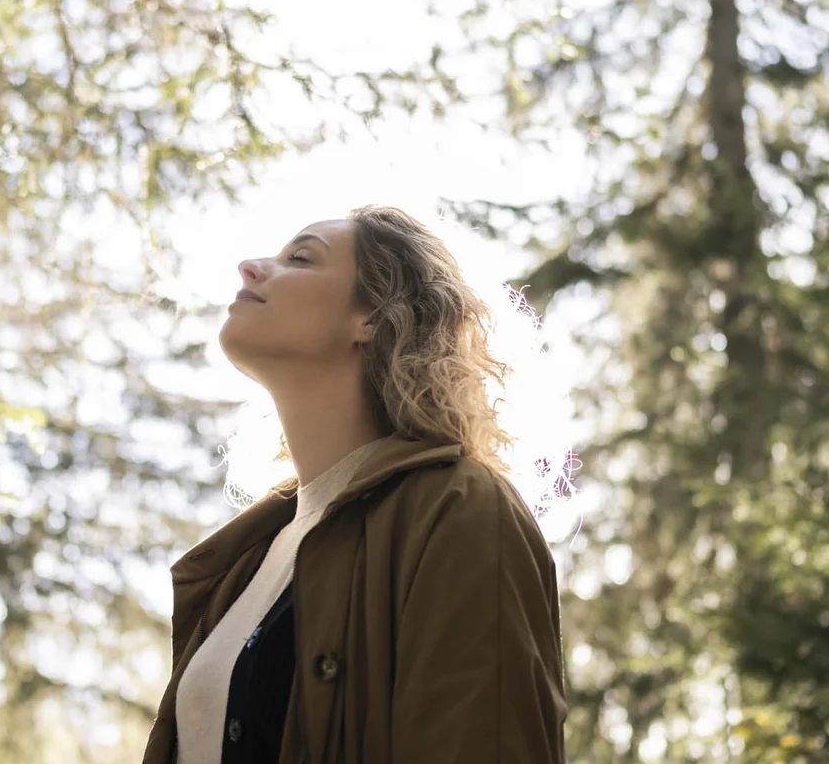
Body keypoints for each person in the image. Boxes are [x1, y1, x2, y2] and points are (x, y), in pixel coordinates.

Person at [139, 206, 567, 764]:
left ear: (372, 317)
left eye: (300, 258)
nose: (249, 267)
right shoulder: (246, 559)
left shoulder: (461, 510)